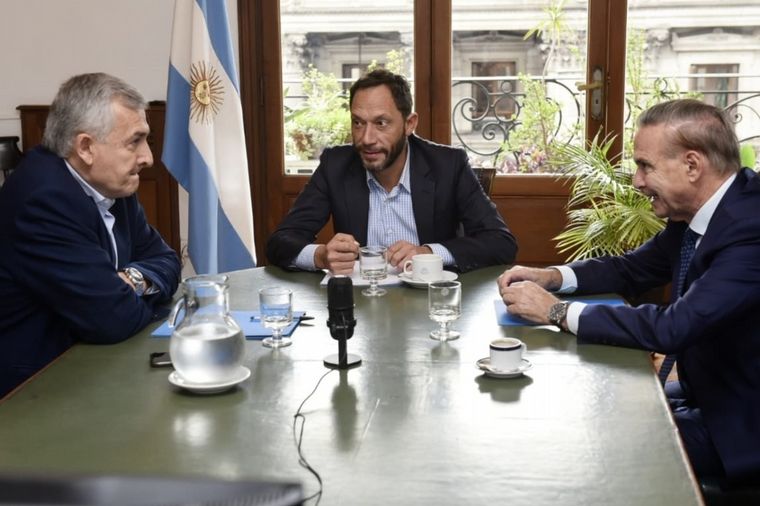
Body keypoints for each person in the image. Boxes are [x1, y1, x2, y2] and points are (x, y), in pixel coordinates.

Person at [497, 98, 760, 486]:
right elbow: (631, 269)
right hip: (710, 394)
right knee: (594, 412)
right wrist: (551, 276)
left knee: (594, 444)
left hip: (741, 427)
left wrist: (557, 312)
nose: (637, 181)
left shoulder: (751, 228)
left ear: (692, 166)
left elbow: (674, 327)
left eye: (645, 166)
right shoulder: (701, 213)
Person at [0, 73, 181, 398]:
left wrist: (132, 280)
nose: (147, 158)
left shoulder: (111, 183)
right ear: (85, 147)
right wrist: (123, 292)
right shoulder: (43, 200)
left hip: (93, 370)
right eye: (134, 142)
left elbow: (167, 259)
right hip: (33, 393)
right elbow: (114, 317)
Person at [266, 69, 517, 274]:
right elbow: (280, 242)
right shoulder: (336, 165)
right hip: (362, 305)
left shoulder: (448, 165)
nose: (367, 138)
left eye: (381, 123)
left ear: (409, 124)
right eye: (358, 123)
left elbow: (500, 242)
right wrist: (320, 256)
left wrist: (428, 253)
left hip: (430, 301)